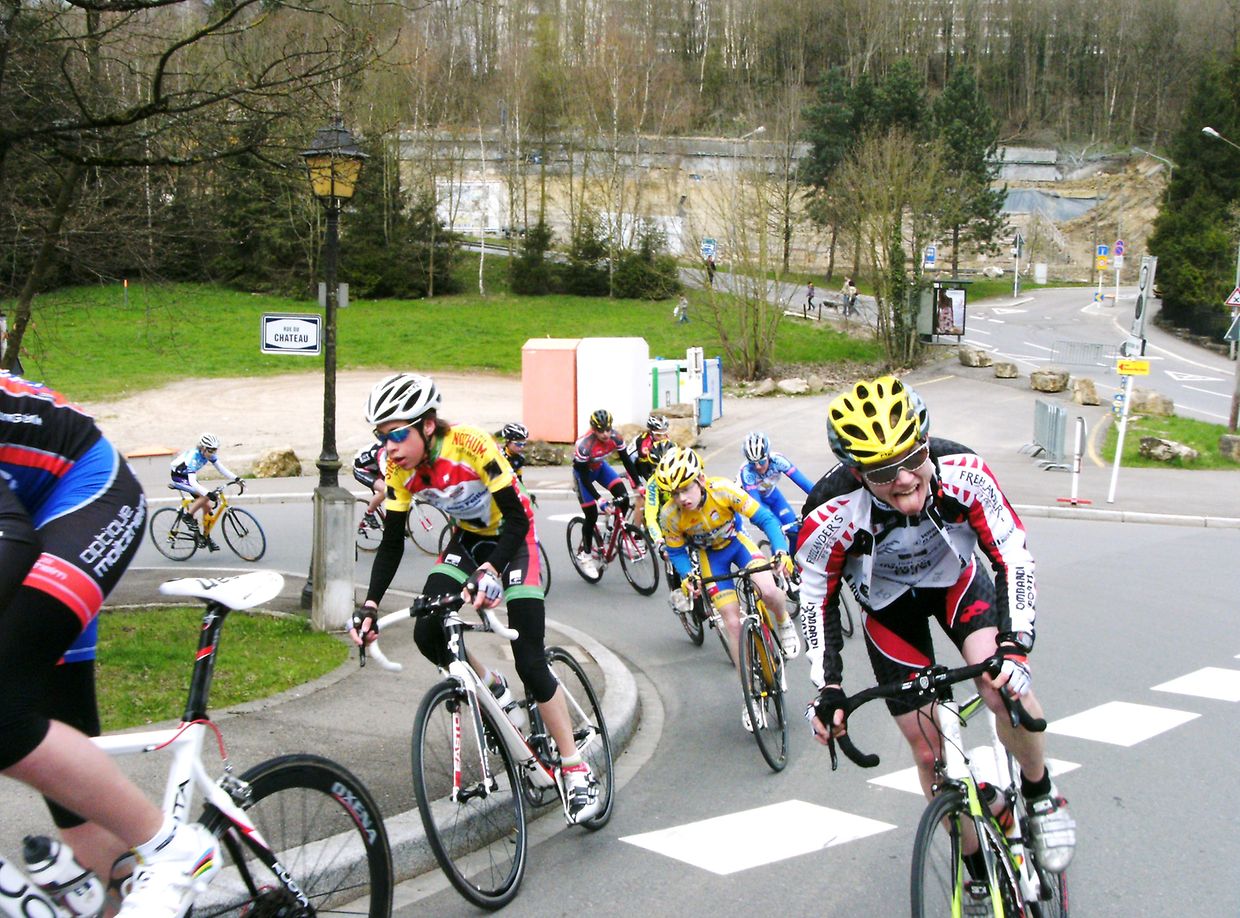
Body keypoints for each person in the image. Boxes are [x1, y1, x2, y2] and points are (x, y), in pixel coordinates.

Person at [799, 375, 1076, 880]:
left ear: (927, 442)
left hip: (956, 583)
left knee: (1002, 688)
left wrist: (1015, 644)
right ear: (857, 472)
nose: (905, 478)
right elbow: (816, 600)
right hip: (889, 609)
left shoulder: (963, 470)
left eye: (913, 457)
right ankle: (977, 873)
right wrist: (828, 688)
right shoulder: (828, 512)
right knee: (928, 753)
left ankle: (1040, 793)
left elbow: (1012, 555)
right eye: (883, 470)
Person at [0, 373, 219, 918]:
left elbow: (12, 539)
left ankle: (173, 849)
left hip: (87, 493)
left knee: (1, 713)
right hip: (32, 518)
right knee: (64, 771)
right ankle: (116, 887)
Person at [350, 373, 601, 823]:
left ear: (427, 425)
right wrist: (369, 605)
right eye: (381, 436)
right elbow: (391, 543)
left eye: (397, 434)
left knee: (529, 659)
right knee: (428, 632)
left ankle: (573, 765)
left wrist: (492, 571)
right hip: (468, 539)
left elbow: (517, 519)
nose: (389, 446)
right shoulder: (397, 468)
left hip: (514, 539)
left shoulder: (470, 444)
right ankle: (491, 684)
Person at [655, 446, 800, 731]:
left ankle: (783, 621)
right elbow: (677, 552)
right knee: (732, 623)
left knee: (768, 590)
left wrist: (781, 551)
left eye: (685, 488)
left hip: (738, 545)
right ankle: (749, 695)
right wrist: (687, 576)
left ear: (700, 479)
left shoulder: (723, 490)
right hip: (711, 559)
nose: (681, 498)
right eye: (674, 493)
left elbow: (765, 518)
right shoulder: (670, 516)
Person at [570, 409, 640, 577]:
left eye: (608, 429)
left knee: (623, 498)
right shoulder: (584, 445)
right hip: (583, 477)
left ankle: (614, 532)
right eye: (601, 430)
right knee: (591, 515)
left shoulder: (616, 437)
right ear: (594, 430)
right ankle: (586, 555)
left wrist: (638, 484)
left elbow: (626, 461)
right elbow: (584, 478)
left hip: (601, 469)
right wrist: (599, 499)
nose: (605, 434)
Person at [736, 431, 814, 546]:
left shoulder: (778, 460)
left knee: (795, 533)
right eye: (753, 463)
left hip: (773, 495)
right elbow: (757, 504)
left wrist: (822, 498)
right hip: (754, 502)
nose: (758, 466)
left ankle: (793, 557)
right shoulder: (747, 472)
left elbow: (804, 483)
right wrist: (774, 527)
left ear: (768, 455)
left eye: (761, 461)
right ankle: (778, 556)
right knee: (777, 533)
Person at [169, 433, 241, 552]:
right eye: (211, 450)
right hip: (179, 477)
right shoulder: (193, 457)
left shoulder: (208, 454)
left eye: (215, 450)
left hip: (188, 477)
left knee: (207, 507)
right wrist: (208, 494)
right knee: (205, 497)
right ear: (203, 448)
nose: (213, 453)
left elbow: (221, 468)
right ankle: (188, 517)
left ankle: (205, 537)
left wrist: (237, 479)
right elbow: (193, 482)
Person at [624, 413, 672, 487]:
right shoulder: (642, 441)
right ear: (651, 432)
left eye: (664, 433)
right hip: (638, 466)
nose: (662, 437)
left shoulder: (667, 438)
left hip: (654, 465)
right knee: (641, 489)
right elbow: (634, 462)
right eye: (658, 434)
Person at [352, 441, 386, 531]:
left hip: (375, 468)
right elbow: (385, 472)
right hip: (361, 469)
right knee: (385, 489)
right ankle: (369, 515)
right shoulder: (381, 452)